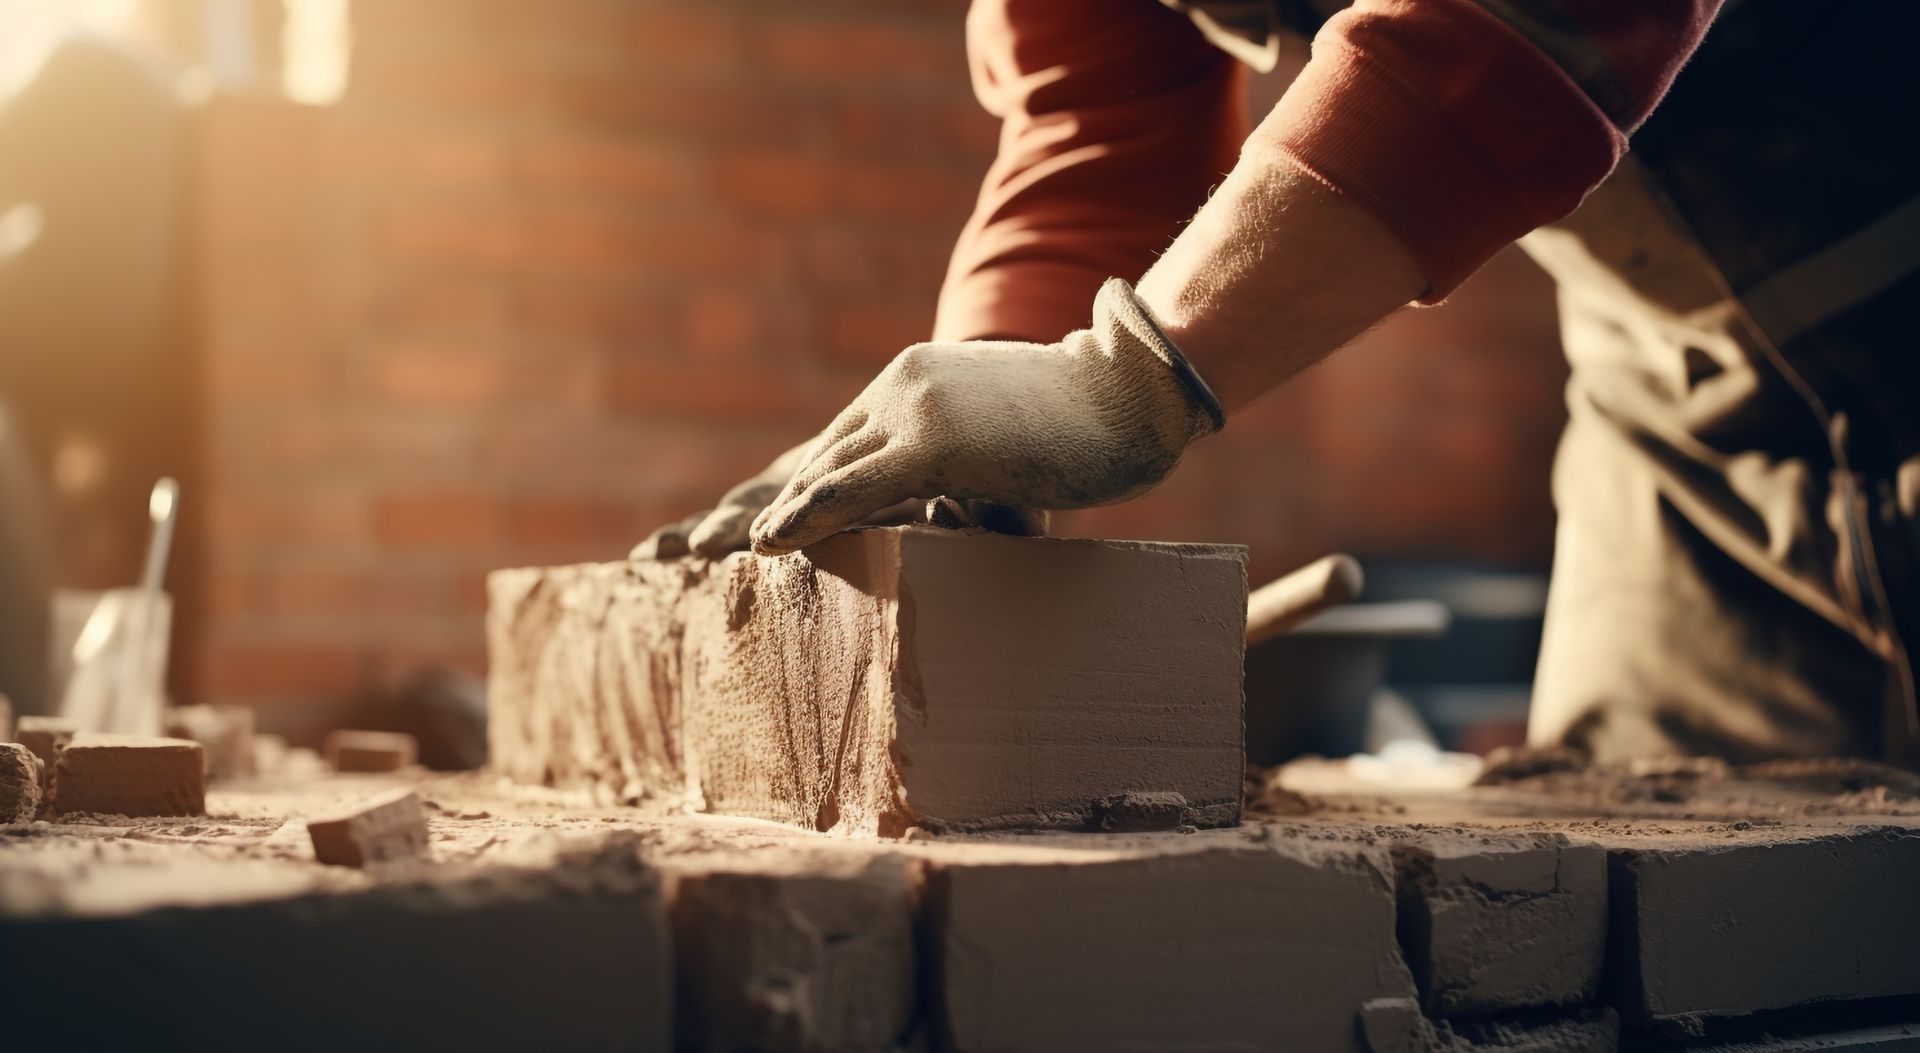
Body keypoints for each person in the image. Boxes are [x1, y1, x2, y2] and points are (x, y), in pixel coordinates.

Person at [641, 0, 1920, 766]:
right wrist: (978, 419)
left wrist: (1132, 378)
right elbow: (1099, 118)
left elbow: (1528, 17)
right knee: (1691, 915)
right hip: (1678, 402)